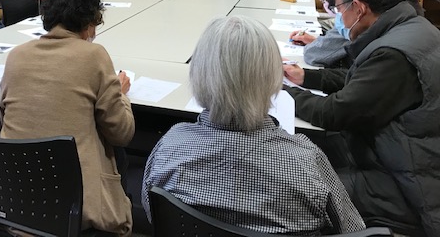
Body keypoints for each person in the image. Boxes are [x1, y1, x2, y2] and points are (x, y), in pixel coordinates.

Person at [142, 15, 364, 234]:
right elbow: (351, 229)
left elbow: (153, 212)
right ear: (272, 78)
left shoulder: (168, 149)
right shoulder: (306, 162)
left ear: (198, 74)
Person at [283, 0, 440, 235]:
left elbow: (335, 113)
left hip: (408, 182)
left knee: (301, 188)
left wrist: (281, 92)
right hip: (401, 152)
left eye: (339, 8)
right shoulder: (413, 27)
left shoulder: (393, 55)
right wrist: (307, 78)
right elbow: (361, 82)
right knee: (310, 149)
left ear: (358, 8)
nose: (339, 18)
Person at [0, 0, 134, 236]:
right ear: (90, 23)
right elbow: (122, 133)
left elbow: (5, 115)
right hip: (75, 208)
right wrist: (120, 94)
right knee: (116, 151)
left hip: (16, 202)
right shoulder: (94, 56)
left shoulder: (16, 55)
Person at [288, 0, 357, 67]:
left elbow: (313, 54)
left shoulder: (350, 23)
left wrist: (318, 43)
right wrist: (315, 41)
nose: (323, 2)